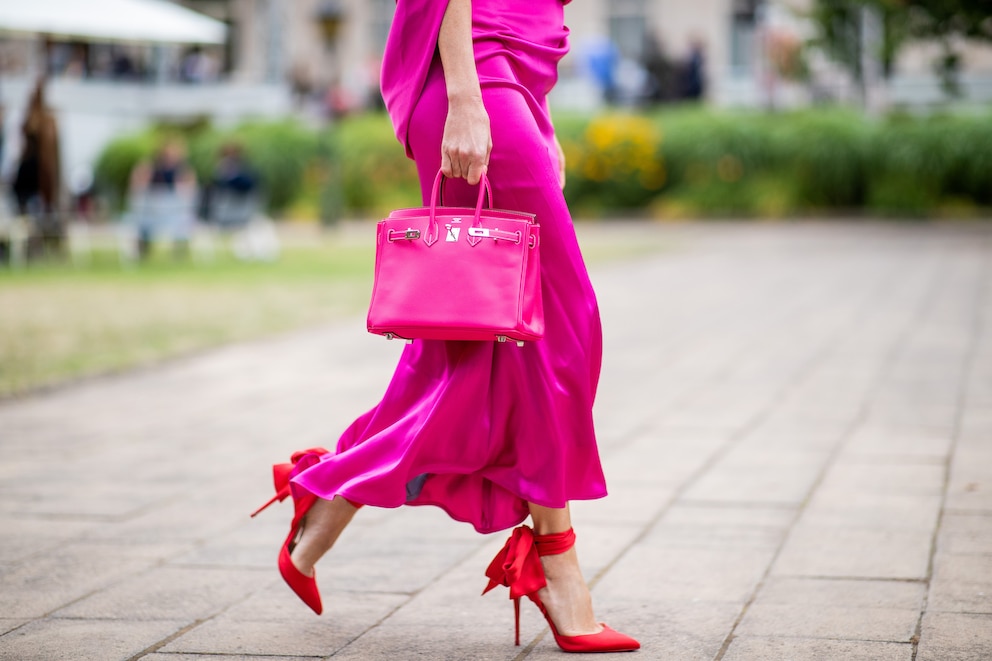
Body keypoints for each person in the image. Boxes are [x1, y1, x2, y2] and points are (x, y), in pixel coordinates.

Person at [252, 0, 640, 654]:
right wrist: (465, 96)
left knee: (480, 352)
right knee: (559, 328)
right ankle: (556, 564)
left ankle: (326, 499)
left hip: (514, 79)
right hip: (473, 74)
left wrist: (536, 113)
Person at [12, 77, 63, 258]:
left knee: (41, 212)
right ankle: (29, 247)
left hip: (40, 172)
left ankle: (41, 245)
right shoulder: (31, 119)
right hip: (30, 171)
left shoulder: (47, 119)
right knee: (26, 213)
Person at [128, 138, 197, 260]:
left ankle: (179, 254)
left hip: (175, 213)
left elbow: (190, 192)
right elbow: (137, 188)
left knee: (182, 223)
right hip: (152, 212)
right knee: (142, 224)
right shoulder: (152, 169)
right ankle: (142, 252)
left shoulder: (182, 171)